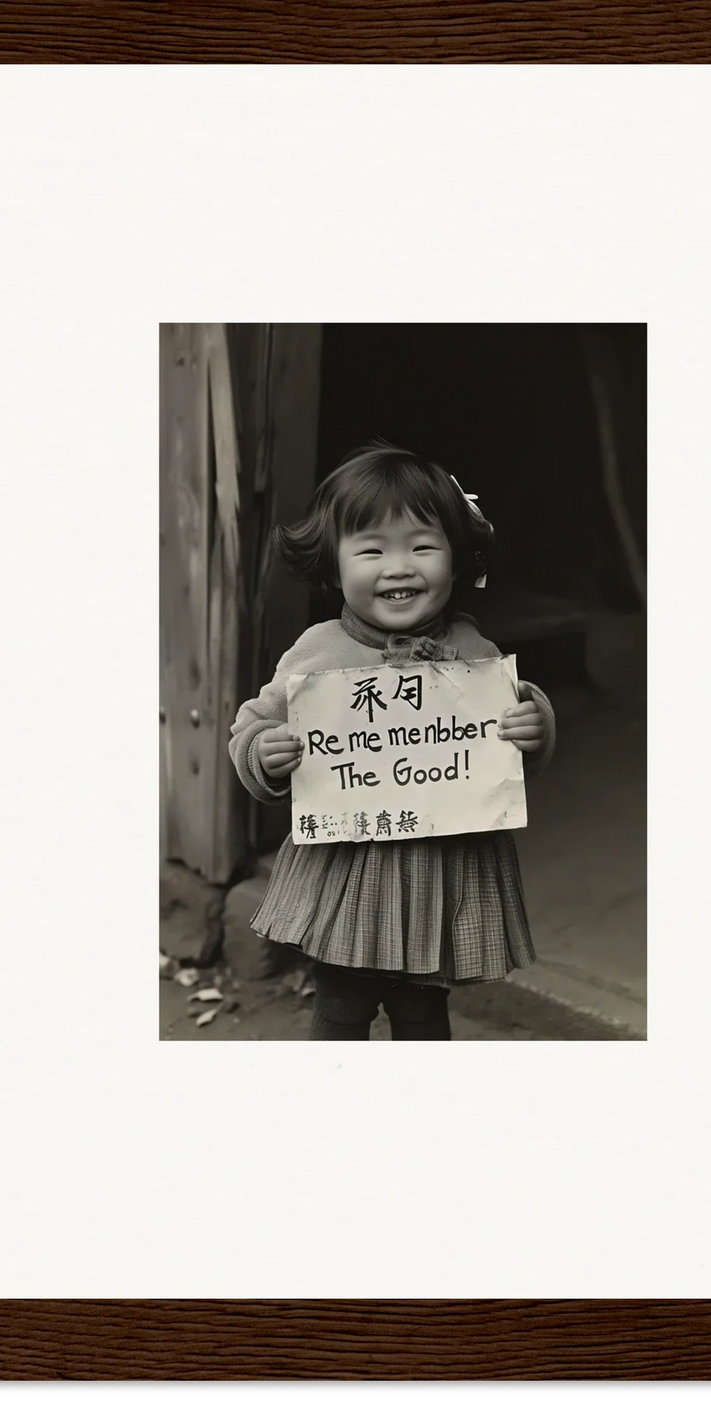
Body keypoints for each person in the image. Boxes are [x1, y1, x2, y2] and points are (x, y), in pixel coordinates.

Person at [228, 439, 557, 1040]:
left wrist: (531, 725)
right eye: (372, 549)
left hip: (441, 874)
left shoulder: (475, 654)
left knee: (422, 1012)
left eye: (423, 547)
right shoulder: (317, 653)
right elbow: (253, 722)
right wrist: (264, 752)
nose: (399, 566)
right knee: (341, 1006)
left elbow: (501, 751)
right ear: (333, 565)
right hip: (349, 871)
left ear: (457, 560)